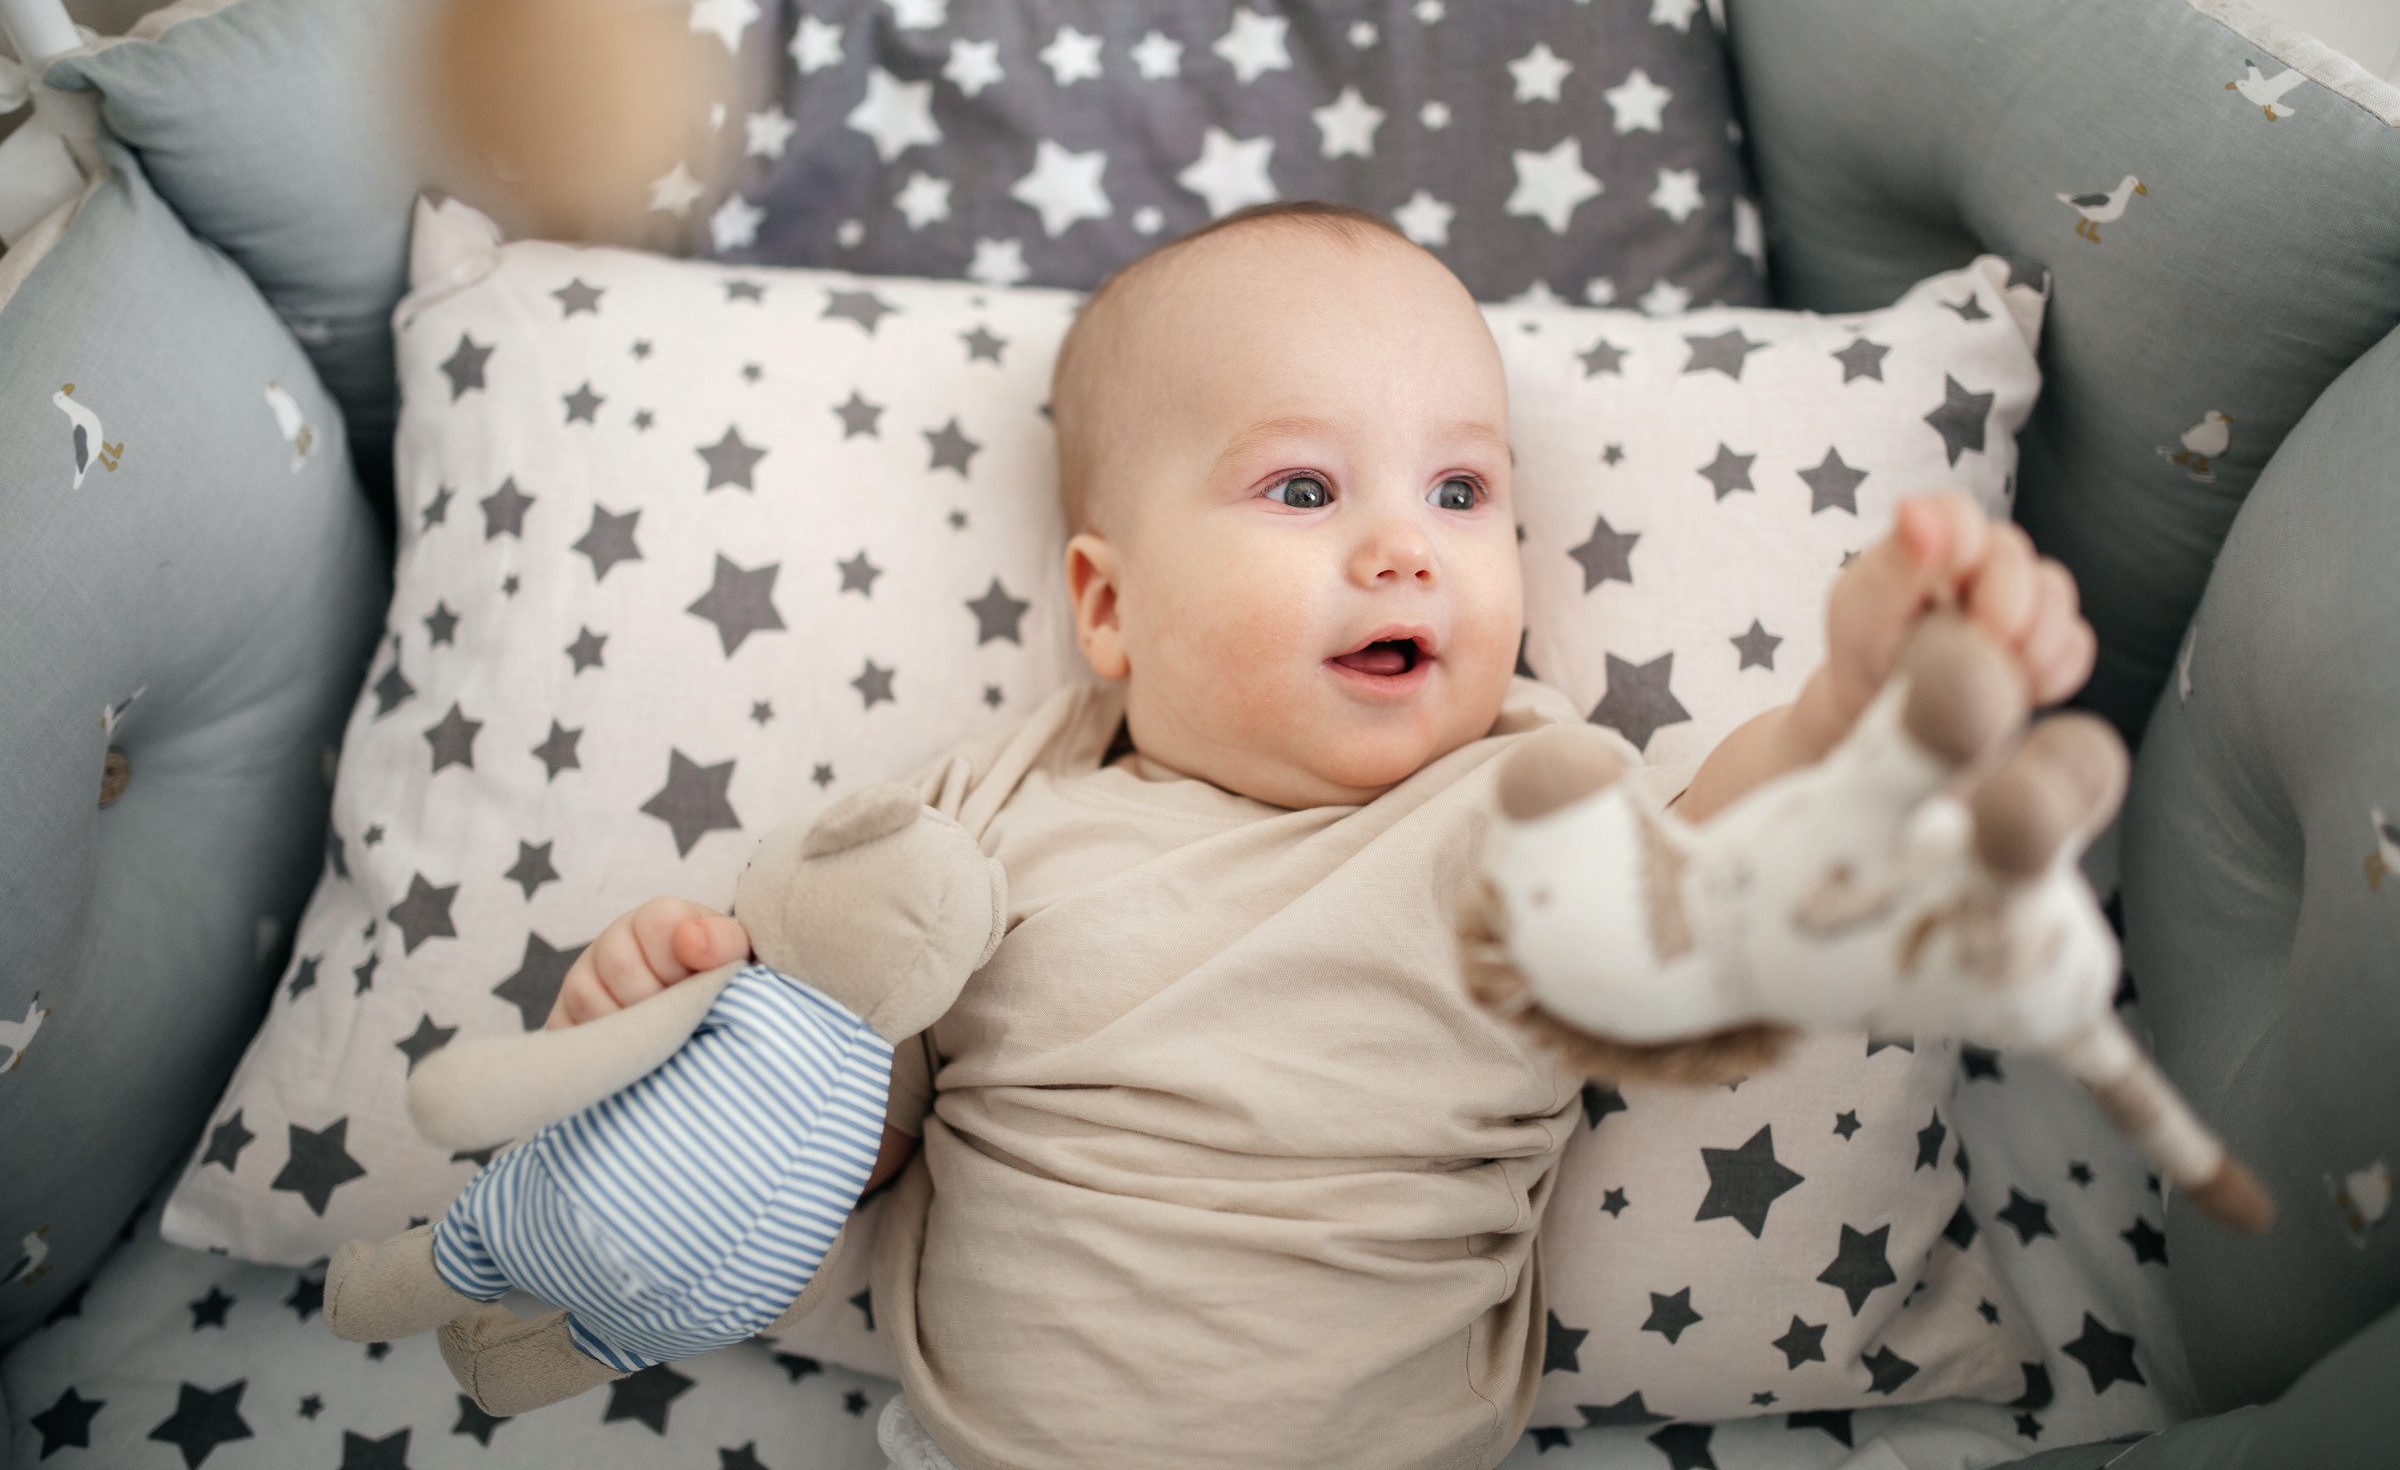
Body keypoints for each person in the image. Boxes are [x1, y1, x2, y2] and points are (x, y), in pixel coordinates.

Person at [543, 201, 2095, 1470]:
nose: (1405, 546)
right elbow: (847, 1139)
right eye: (1302, 486)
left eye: (1461, 488)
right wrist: (675, 1042)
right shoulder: (994, 812)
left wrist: (1844, 719)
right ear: (1108, 604)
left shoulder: (1512, 800)